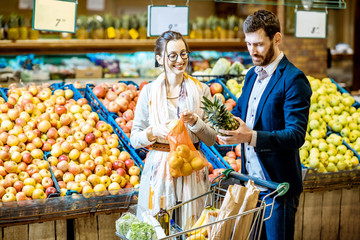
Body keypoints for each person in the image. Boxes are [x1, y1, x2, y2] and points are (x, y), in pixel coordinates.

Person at [217, 9, 312, 240]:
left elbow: (295, 135)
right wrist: (222, 125)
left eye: (258, 44)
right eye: (248, 44)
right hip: (251, 185)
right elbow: (240, 112)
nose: (252, 51)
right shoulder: (251, 75)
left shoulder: (293, 79)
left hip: (278, 188)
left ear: (276, 39)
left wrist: (250, 137)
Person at [130, 30, 217, 229]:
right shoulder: (149, 92)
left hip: (192, 169)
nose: (180, 60)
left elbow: (212, 139)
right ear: (159, 58)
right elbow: (134, 139)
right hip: (159, 171)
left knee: (193, 229)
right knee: (160, 229)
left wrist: (196, 122)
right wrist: (153, 132)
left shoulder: (202, 90)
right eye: (173, 55)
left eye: (184, 53)